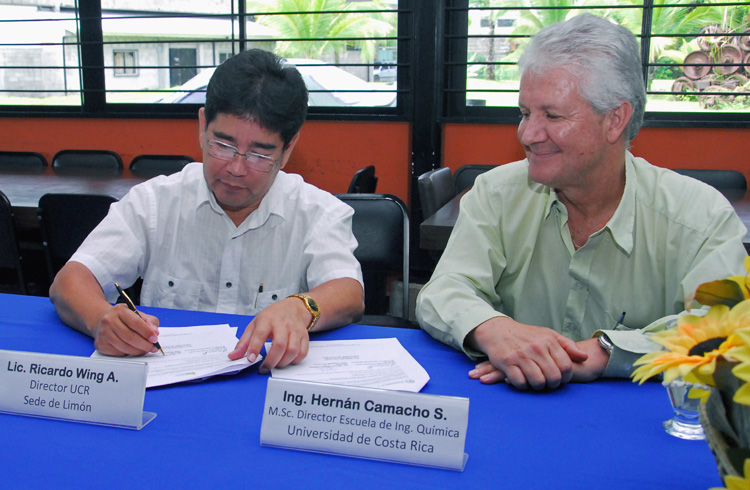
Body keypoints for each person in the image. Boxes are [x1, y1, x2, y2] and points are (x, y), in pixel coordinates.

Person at [415, 14, 748, 391]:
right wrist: (494, 330)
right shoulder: (495, 193)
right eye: (525, 112)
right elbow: (444, 290)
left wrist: (604, 353)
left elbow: (729, 328)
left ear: (615, 119)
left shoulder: (700, 217)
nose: (528, 134)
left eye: (552, 115)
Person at [49, 49, 365, 373]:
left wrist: (302, 308)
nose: (236, 168)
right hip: (167, 383)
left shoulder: (318, 212)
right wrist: (100, 319)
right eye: (223, 146)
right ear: (202, 126)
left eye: (259, 154)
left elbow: (348, 293)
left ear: (288, 150)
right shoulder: (155, 202)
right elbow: (71, 280)